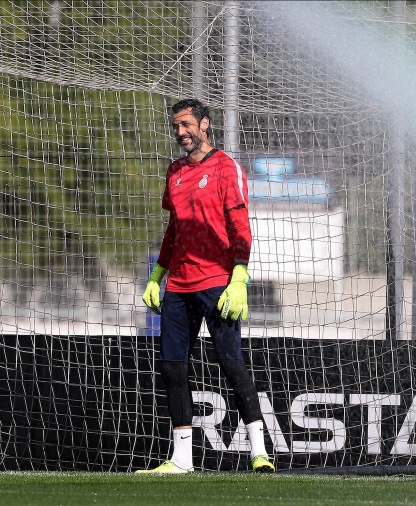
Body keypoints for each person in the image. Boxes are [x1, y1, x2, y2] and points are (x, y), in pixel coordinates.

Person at [138, 98, 274, 474]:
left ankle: (259, 453)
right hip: (179, 286)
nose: (180, 132)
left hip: (218, 283)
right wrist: (156, 276)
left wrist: (240, 279)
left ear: (205, 125)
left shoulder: (226, 167)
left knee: (231, 364)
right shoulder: (174, 172)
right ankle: (182, 459)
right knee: (172, 369)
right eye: (175, 126)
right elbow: (174, 230)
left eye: (186, 124)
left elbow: (240, 229)